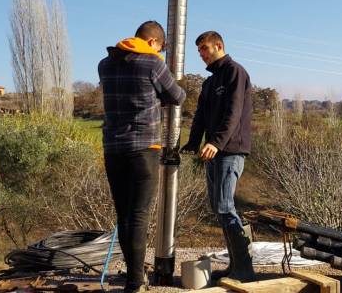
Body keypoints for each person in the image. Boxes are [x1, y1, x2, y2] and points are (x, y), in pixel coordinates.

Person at [99, 21, 185, 293]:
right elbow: (177, 96)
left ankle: (133, 275)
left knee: (124, 215)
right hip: (144, 149)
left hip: (113, 149)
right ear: (153, 42)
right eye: (159, 48)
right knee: (139, 214)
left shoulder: (105, 64)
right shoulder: (152, 63)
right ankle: (136, 281)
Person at [181, 31, 255, 282]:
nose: (201, 54)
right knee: (219, 208)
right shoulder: (209, 82)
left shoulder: (236, 72)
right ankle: (236, 266)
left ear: (219, 46)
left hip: (230, 150)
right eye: (199, 50)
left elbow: (233, 113)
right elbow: (200, 115)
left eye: (204, 48)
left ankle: (245, 269)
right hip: (213, 152)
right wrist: (192, 142)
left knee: (225, 206)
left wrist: (216, 142)